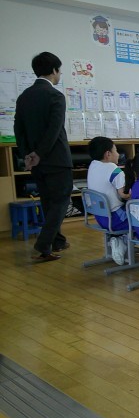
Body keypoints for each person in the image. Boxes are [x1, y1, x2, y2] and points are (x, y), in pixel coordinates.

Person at [14, 52, 73, 262]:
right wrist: (39, 153)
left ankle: (57, 240)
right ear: (54, 70)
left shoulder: (24, 96)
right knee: (61, 201)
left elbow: (18, 129)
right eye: (59, 70)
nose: (59, 74)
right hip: (56, 160)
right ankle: (43, 244)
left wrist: (28, 155)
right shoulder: (55, 96)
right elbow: (54, 131)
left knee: (48, 202)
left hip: (35, 161)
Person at [87, 136, 129, 265]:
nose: (118, 154)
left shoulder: (93, 165)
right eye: (116, 150)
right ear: (108, 154)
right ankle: (120, 241)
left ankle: (117, 239)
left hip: (100, 217)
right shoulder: (114, 169)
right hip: (115, 219)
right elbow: (124, 195)